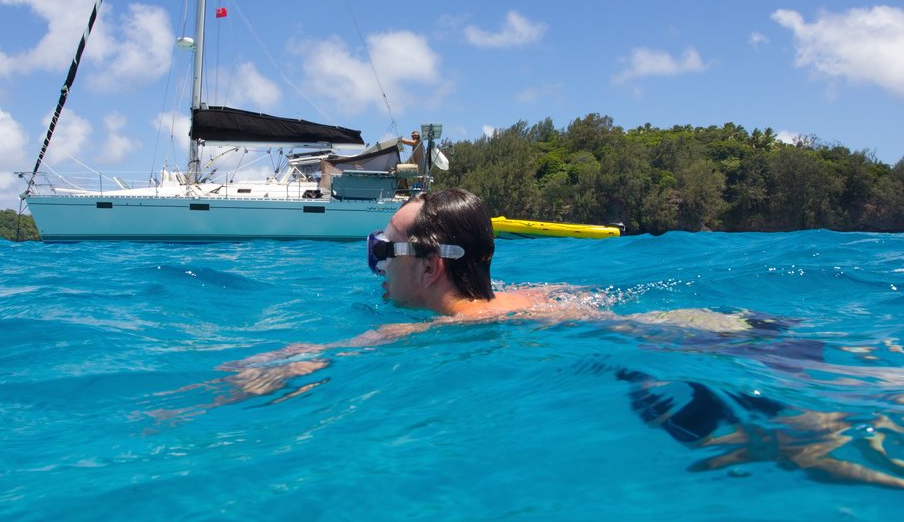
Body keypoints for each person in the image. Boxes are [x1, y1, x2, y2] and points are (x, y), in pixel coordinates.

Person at [158, 189, 904, 489]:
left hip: (650, 353)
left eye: (382, 251)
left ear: (429, 267)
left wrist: (284, 363)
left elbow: (349, 354)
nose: (375, 266)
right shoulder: (526, 294)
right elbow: (601, 304)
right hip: (733, 329)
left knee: (786, 444)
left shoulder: (438, 327)